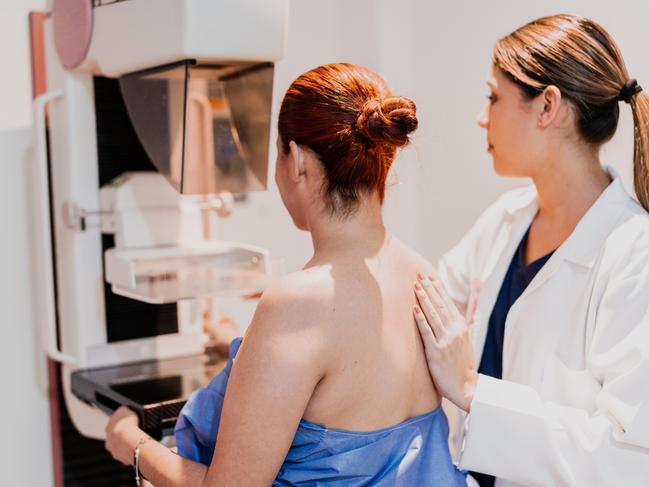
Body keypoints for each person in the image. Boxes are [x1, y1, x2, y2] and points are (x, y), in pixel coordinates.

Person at [105, 63, 467, 486]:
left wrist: (131, 443)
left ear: (295, 160)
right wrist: (247, 353)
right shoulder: (422, 274)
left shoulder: (297, 302)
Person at [412, 14, 649, 487]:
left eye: (493, 97)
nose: (483, 117)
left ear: (547, 107)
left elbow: (629, 461)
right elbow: (424, 308)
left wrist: (470, 388)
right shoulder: (505, 220)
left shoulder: (634, 255)